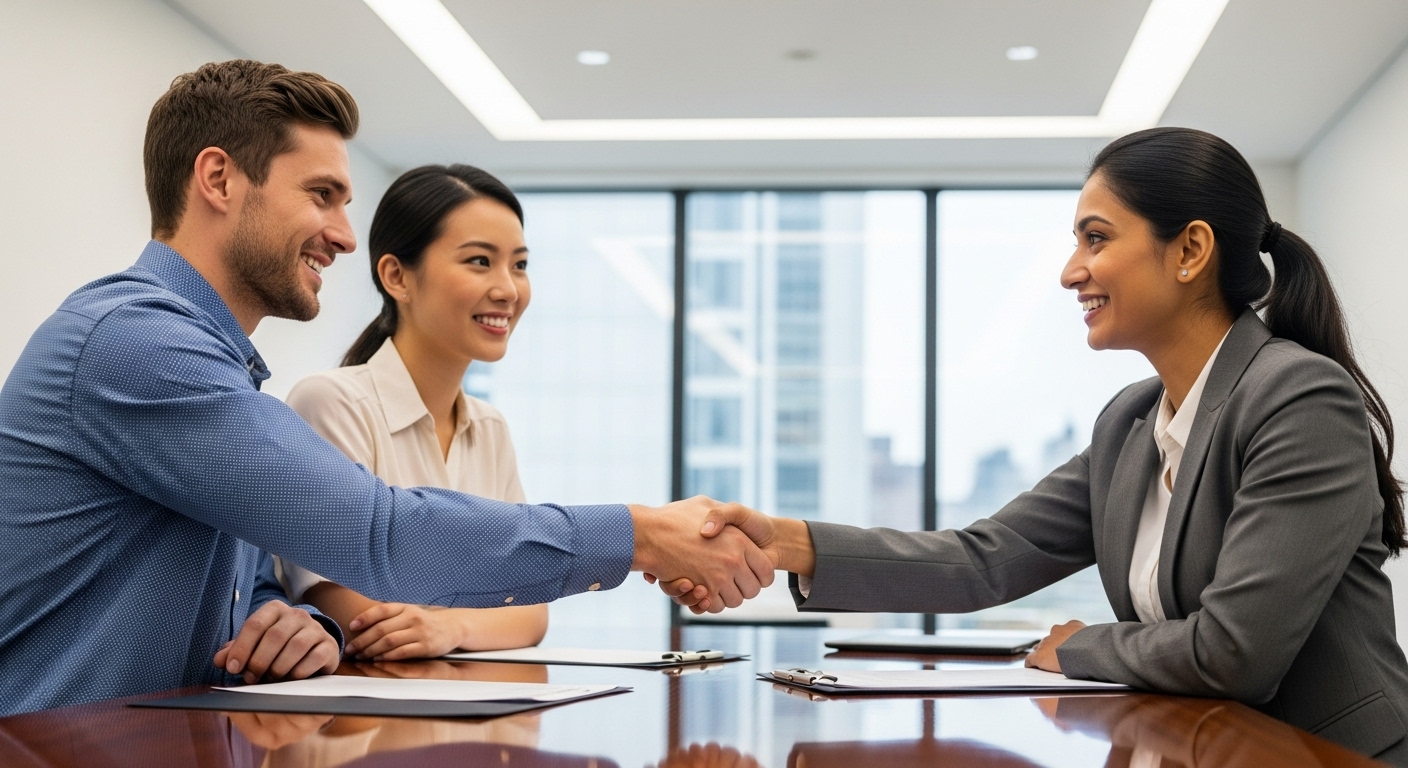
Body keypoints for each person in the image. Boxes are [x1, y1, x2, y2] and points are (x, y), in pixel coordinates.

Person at [0, 59, 770, 717]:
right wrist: (639, 534)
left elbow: (251, 589)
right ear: (218, 179)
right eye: (323, 195)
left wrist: (297, 621)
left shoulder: (210, 367)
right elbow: (380, 535)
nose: (342, 233)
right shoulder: (137, 345)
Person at [664, 128, 1408, 762]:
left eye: (1096, 238)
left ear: (1190, 251)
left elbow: (1234, 653)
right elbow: (981, 561)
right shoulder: (1131, 424)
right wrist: (784, 541)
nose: (1070, 271)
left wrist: (1082, 646)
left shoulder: (1299, 399)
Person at [278, 164, 548, 659]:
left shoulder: (489, 429)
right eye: (480, 262)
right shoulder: (331, 403)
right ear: (397, 276)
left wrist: (452, 629)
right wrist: (474, 615)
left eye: (520, 265)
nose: (509, 289)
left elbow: (531, 610)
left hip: (474, 704)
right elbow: (341, 603)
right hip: (363, 720)